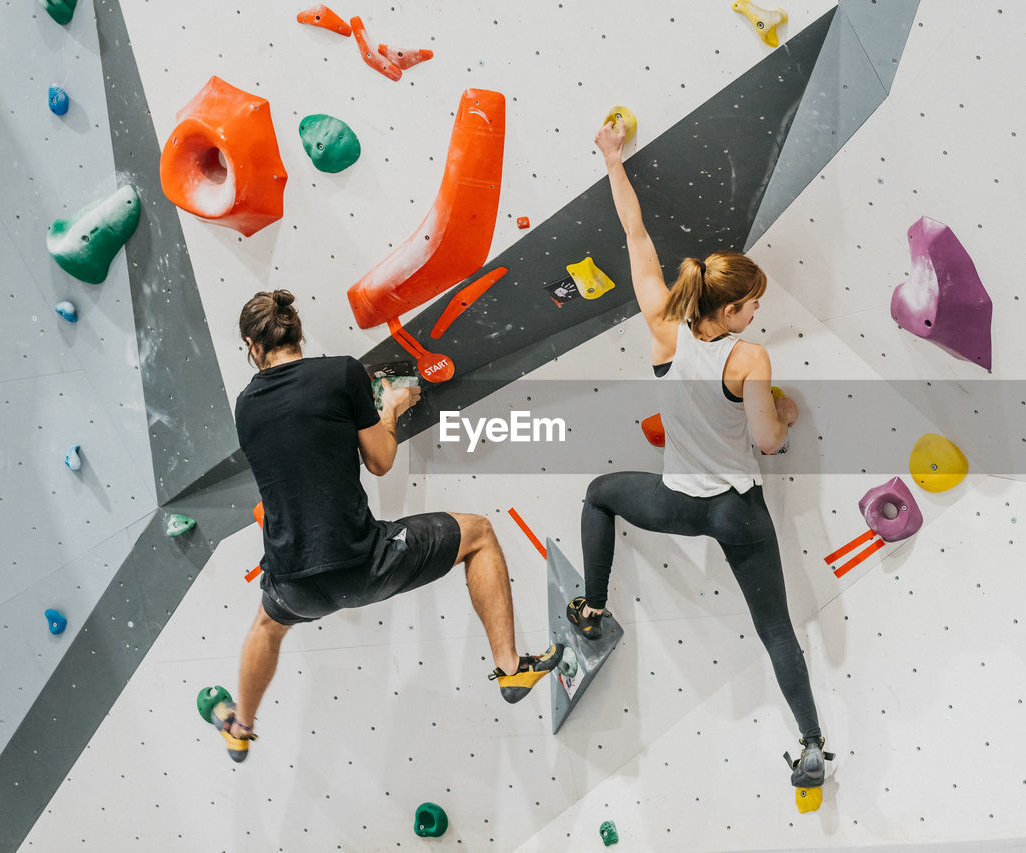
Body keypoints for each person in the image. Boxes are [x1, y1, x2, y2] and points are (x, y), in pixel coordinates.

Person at [565, 119, 831, 788]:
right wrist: (789, 412)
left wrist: (612, 159)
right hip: (736, 512)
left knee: (601, 493)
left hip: (677, 502)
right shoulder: (749, 359)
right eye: (753, 303)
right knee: (776, 629)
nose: (759, 309)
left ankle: (591, 609)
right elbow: (768, 441)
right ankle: (809, 747)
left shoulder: (662, 324)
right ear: (735, 308)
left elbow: (636, 236)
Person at [210, 290, 561, 762]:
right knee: (478, 533)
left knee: (266, 627)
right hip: (366, 563)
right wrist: (390, 407)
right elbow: (379, 461)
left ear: (252, 345)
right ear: (298, 331)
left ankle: (241, 728)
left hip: (295, 586)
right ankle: (510, 666)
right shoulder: (341, 373)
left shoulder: (245, 406)